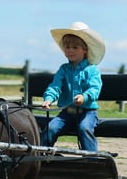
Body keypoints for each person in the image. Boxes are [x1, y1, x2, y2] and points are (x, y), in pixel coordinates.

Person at [40, 21, 105, 152]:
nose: (70, 50)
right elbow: (55, 86)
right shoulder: (63, 69)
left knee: (84, 128)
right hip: (67, 113)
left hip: (88, 112)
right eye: (67, 47)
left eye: (75, 47)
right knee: (51, 128)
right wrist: (49, 98)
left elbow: (94, 89)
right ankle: (41, 156)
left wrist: (84, 97)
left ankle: (92, 160)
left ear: (85, 50)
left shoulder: (92, 70)